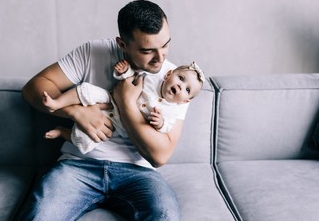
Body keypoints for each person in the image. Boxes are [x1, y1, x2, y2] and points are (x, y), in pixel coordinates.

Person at [19, 0, 201, 221]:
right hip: (79, 165)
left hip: (139, 173)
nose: (161, 59)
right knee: (38, 219)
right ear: (122, 44)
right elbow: (33, 89)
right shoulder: (92, 52)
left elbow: (160, 155)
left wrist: (125, 104)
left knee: (166, 218)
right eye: (148, 50)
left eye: (165, 45)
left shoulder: (177, 83)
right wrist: (76, 112)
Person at [43, 59, 204, 154]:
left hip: (120, 124)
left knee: (89, 140)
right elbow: (132, 79)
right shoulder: (152, 77)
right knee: (87, 90)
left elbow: (167, 127)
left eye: (187, 90)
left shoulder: (172, 110)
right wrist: (124, 72)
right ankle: (57, 102)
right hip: (111, 99)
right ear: (169, 74)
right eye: (181, 78)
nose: (181, 86)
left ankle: (65, 133)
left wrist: (160, 123)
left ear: (185, 101)